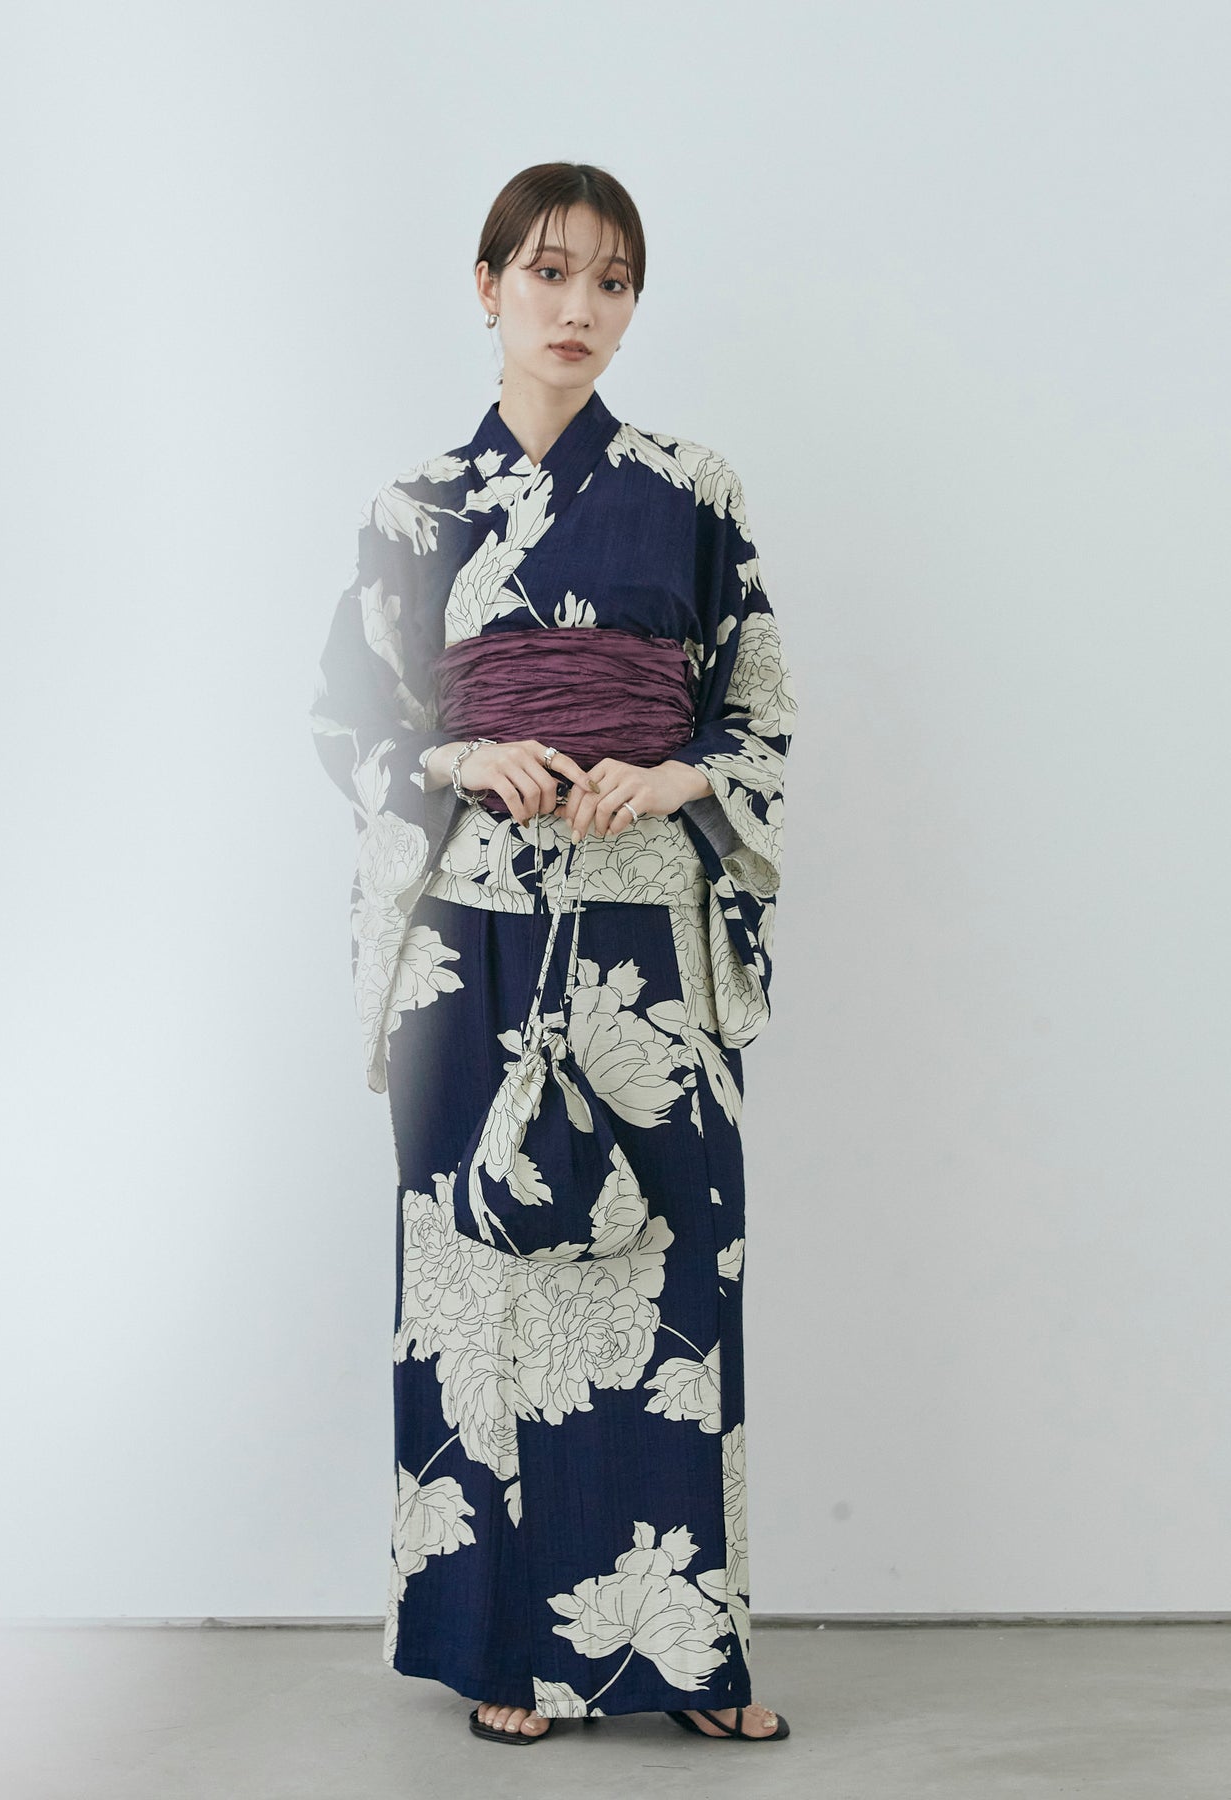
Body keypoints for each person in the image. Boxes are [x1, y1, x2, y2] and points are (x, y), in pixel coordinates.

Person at [309, 162, 797, 1746]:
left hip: (646, 921)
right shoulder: (415, 506)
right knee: (481, 1269)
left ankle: (693, 1654)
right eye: (545, 272)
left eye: (610, 280)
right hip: (470, 937)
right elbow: (352, 720)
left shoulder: (690, 486)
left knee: (675, 1270)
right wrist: (460, 757)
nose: (576, 306)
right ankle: (504, 1653)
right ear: (486, 286)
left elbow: (753, 706)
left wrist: (682, 775)